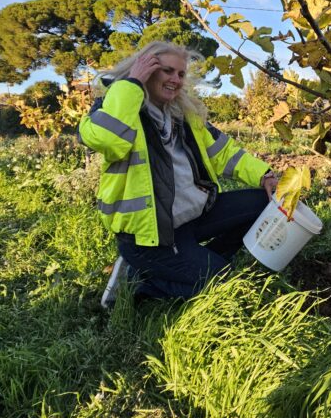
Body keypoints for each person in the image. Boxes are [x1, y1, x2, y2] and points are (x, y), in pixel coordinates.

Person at [78, 41, 277, 306]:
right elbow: (109, 139)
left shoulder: (184, 117)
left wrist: (264, 175)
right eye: (167, 71)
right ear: (145, 70)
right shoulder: (114, 109)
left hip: (191, 220)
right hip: (150, 239)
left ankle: (201, 261)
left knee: (265, 202)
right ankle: (139, 281)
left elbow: (224, 152)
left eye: (181, 74)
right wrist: (132, 83)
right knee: (224, 285)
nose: (175, 80)